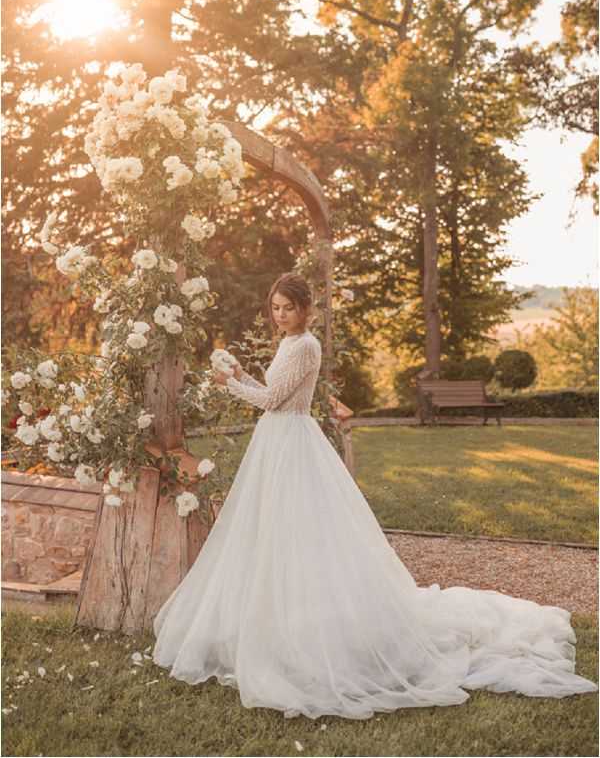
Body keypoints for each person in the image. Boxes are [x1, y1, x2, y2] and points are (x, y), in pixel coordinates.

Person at [152, 271, 597, 720]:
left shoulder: (306, 344)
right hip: (275, 443)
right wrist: (242, 372)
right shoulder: (288, 344)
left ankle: (309, 626)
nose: (281, 314)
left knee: (299, 529)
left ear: (306, 309)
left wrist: (229, 382)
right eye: (276, 308)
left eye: (288, 307)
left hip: (291, 441)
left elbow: (273, 401)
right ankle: (276, 617)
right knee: (270, 530)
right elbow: (273, 389)